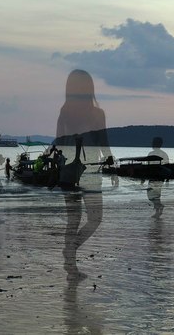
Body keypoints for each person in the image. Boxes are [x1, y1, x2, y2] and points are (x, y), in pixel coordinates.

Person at [54, 69, 113, 279]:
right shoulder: (97, 113)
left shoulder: (64, 111)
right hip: (90, 171)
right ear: (90, 88)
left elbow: (59, 143)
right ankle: (71, 256)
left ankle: (70, 261)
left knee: (73, 220)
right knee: (95, 218)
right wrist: (112, 167)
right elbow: (103, 143)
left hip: (68, 171)